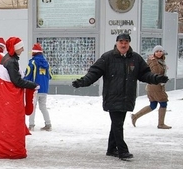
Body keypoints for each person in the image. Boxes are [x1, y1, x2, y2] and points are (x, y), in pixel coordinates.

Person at [71, 33, 169, 161]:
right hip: (112, 96)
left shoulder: (135, 58)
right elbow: (94, 72)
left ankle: (111, 149)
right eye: (121, 42)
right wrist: (82, 82)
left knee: (117, 123)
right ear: (117, 43)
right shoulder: (107, 57)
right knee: (118, 124)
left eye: (126, 42)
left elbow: (145, 74)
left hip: (127, 97)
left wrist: (157, 78)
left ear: (129, 44)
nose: (123, 44)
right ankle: (122, 151)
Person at [0, 37, 39, 159]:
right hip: (10, 102)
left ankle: (3, 148)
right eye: (20, 47)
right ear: (15, 48)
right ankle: (12, 149)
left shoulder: (7, 59)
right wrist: (32, 85)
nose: (23, 49)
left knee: (4, 124)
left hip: (4, 100)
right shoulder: (11, 62)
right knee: (13, 125)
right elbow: (16, 81)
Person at [131, 45, 172, 129]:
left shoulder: (160, 61)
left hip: (153, 85)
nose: (159, 53)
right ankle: (161, 124)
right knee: (163, 102)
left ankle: (135, 116)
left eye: (160, 51)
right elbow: (156, 72)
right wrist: (155, 62)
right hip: (155, 86)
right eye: (157, 51)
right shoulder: (153, 61)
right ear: (154, 53)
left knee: (153, 105)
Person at [24, 43, 53, 131]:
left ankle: (31, 125)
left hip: (34, 88)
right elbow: (50, 76)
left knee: (32, 107)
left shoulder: (32, 62)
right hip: (44, 89)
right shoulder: (46, 63)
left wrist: (23, 82)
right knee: (43, 107)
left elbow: (28, 75)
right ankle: (48, 124)